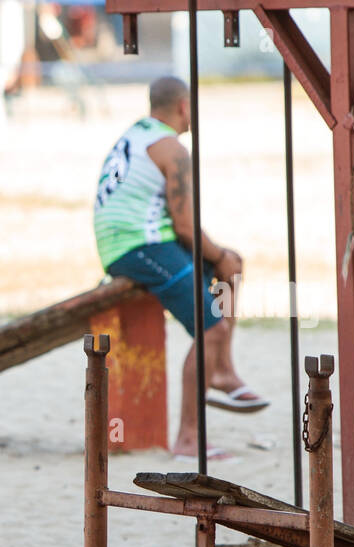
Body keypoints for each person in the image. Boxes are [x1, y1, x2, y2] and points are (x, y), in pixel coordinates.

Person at [92, 76, 267, 459]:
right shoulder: (172, 149)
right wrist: (217, 254)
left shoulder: (138, 135)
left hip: (125, 241)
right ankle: (188, 439)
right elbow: (184, 225)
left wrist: (222, 258)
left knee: (230, 267)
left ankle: (222, 369)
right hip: (139, 244)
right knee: (212, 326)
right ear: (184, 106)